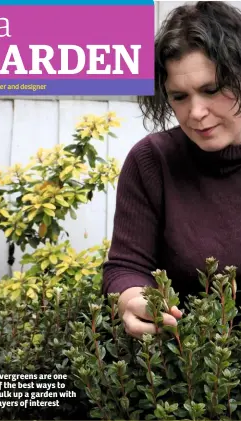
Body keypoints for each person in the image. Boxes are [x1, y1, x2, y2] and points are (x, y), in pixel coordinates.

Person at [102, 1, 241, 339]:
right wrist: (133, 299)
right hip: (187, 370)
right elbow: (126, 266)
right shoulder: (151, 161)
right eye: (179, 97)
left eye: (211, 90)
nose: (196, 112)